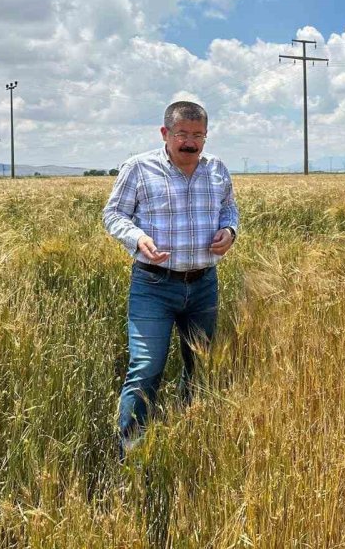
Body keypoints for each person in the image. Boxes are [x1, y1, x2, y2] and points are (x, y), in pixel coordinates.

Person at [103, 101, 238, 459]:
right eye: (183, 134)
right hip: (153, 285)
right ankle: (131, 455)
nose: (190, 143)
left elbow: (229, 208)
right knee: (146, 367)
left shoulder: (217, 169)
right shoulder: (139, 168)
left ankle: (190, 436)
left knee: (201, 364)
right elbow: (113, 215)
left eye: (198, 135)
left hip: (204, 282)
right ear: (165, 134)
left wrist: (229, 230)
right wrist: (136, 239)